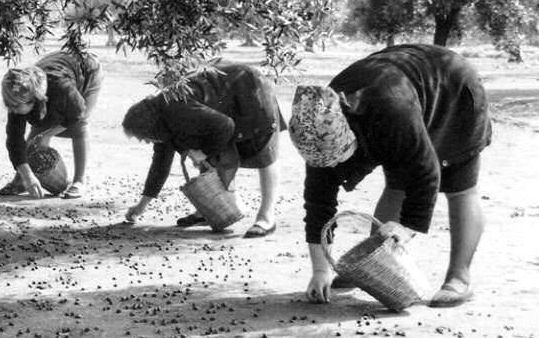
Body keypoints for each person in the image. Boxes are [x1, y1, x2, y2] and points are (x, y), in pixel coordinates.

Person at [289, 44, 491, 308]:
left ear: (351, 134)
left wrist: (405, 229)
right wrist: (320, 270)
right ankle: (376, 267)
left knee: (459, 187)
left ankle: (459, 277)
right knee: (396, 183)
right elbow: (318, 206)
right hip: (401, 88)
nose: (334, 167)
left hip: (451, 89)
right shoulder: (315, 126)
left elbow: (426, 172)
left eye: (340, 158)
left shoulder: (391, 113)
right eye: (327, 164)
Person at [121, 60, 285, 237]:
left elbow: (225, 126)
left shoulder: (176, 109)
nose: (144, 141)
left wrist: (204, 152)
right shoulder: (161, 123)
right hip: (225, 102)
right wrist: (141, 206)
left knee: (264, 154)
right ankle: (207, 212)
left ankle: (266, 217)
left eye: (141, 137)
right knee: (209, 150)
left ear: (148, 127)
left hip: (250, 90)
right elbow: (160, 166)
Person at [0, 50, 103, 199]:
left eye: (16, 107)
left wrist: (48, 134)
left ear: (33, 99)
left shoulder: (61, 88)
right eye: (10, 106)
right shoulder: (16, 98)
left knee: (79, 127)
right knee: (37, 130)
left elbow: (78, 112)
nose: (13, 111)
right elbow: (14, 141)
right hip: (53, 72)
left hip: (87, 69)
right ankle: (21, 180)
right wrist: (27, 175)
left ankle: (79, 181)